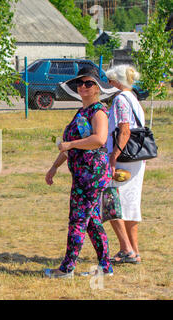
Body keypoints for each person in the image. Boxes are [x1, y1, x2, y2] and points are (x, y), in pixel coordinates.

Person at [44, 67, 120, 278]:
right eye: (80, 83)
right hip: (82, 175)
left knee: (77, 220)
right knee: (92, 222)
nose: (83, 87)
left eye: (88, 83)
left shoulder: (98, 111)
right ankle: (105, 267)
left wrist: (70, 144)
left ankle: (67, 268)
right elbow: (70, 147)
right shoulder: (81, 112)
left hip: (92, 176)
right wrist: (54, 166)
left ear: (97, 88)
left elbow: (99, 139)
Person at [105, 65, 145, 264]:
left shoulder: (121, 99)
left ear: (118, 81)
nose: (109, 84)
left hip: (123, 159)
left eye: (111, 80)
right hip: (136, 159)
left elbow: (125, 130)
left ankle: (125, 249)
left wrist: (113, 156)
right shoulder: (134, 98)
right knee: (130, 206)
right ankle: (133, 251)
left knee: (111, 202)